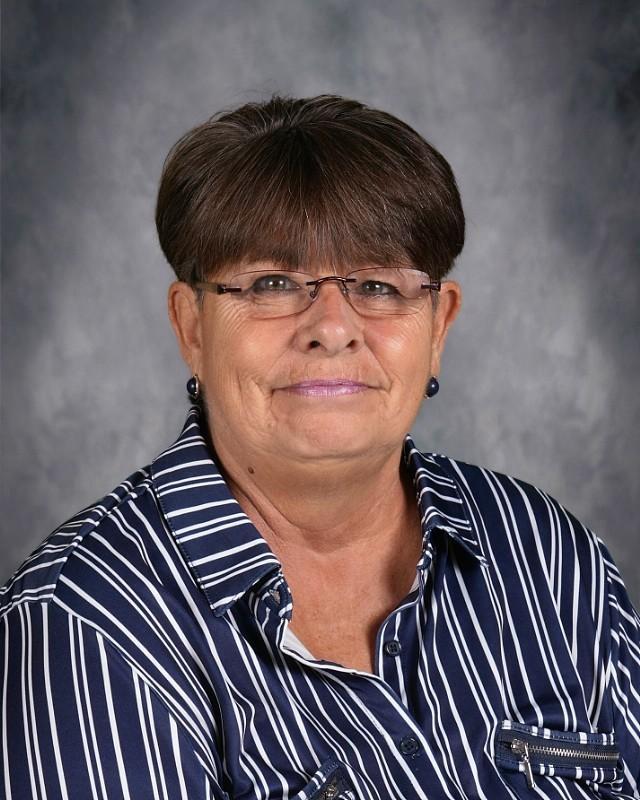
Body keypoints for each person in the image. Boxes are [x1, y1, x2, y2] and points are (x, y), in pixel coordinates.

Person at [1, 94, 638, 800]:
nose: (332, 328)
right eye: (274, 283)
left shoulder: (551, 560)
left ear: (439, 327)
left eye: (377, 285)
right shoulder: (84, 627)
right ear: (193, 328)